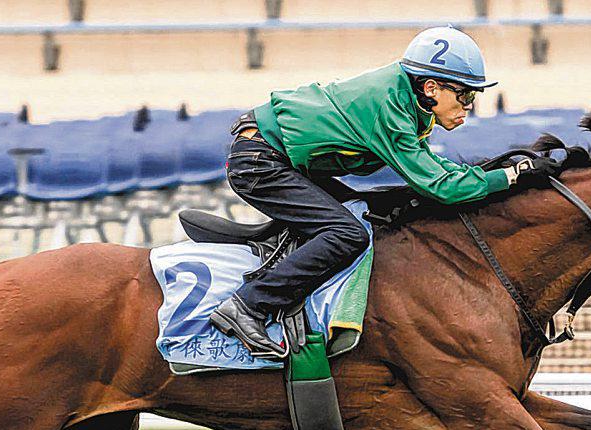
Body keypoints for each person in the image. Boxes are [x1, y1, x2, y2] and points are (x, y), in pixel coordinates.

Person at [209, 26, 560, 358]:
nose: (468, 104)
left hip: (277, 158)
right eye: (464, 93)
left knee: (367, 208)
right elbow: (442, 187)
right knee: (347, 234)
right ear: (432, 88)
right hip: (262, 163)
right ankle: (248, 305)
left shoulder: (408, 101)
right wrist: (511, 177)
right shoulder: (392, 108)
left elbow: (437, 172)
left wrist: (499, 175)